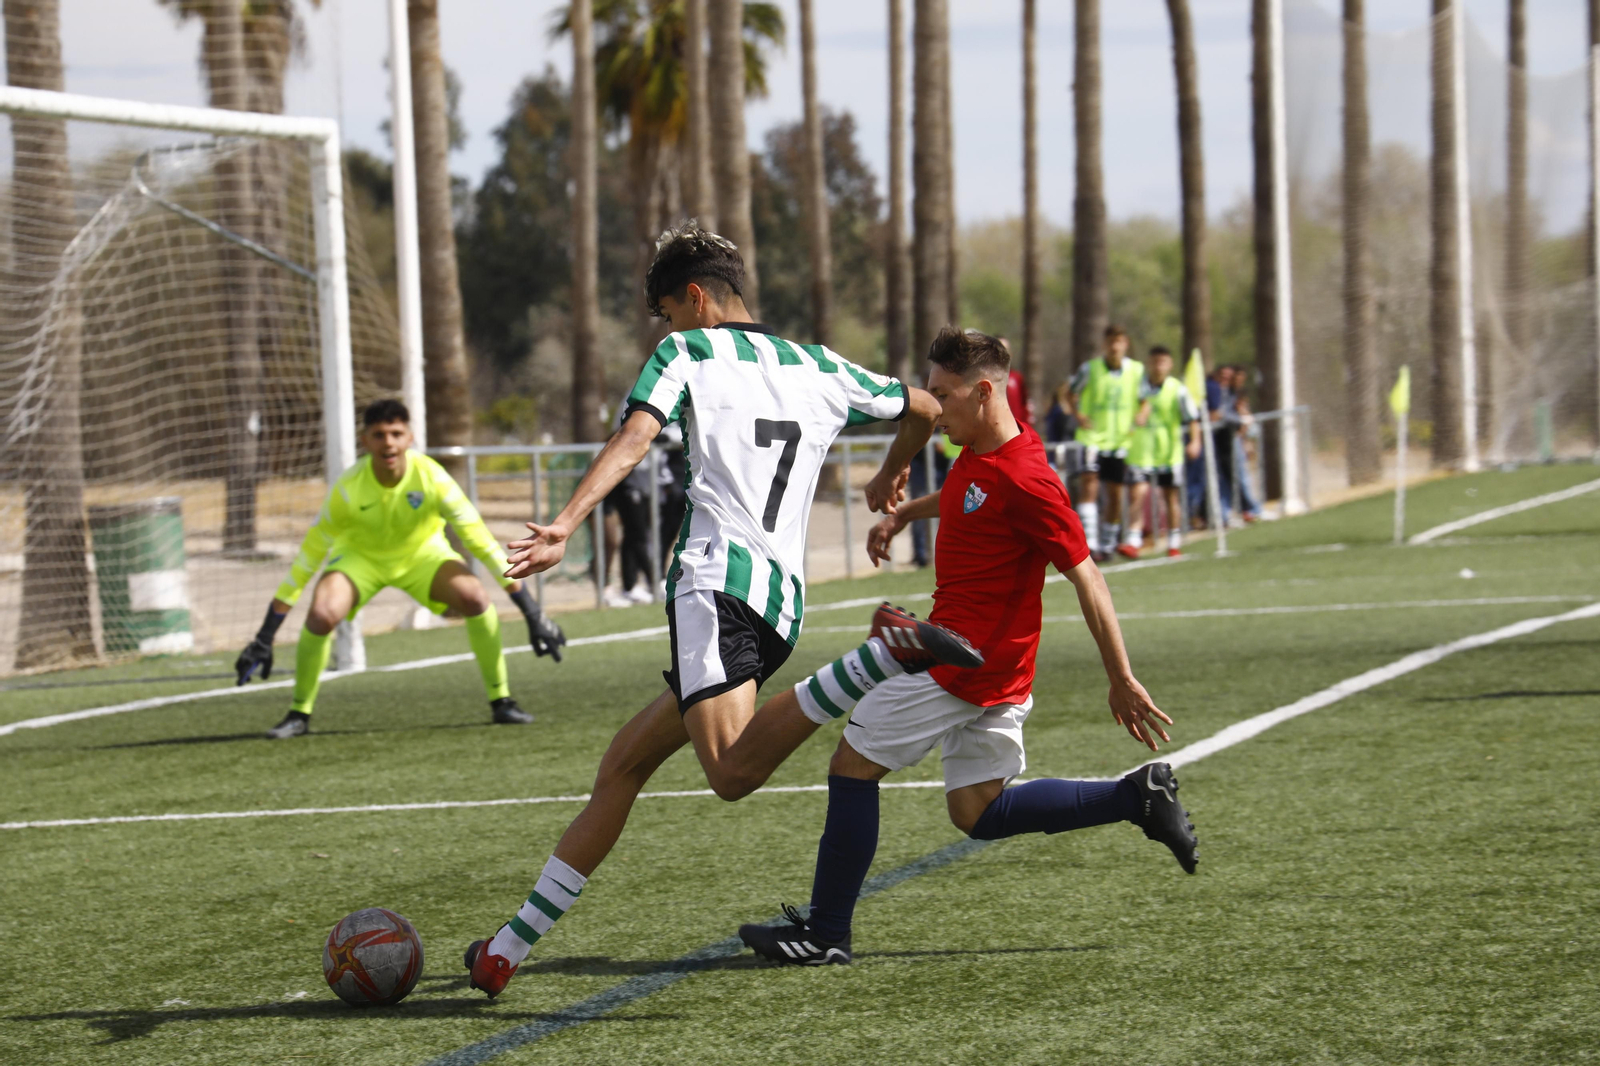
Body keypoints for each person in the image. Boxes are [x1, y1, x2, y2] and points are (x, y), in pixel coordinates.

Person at [460, 223, 979, 998]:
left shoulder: (689, 354)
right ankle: (506, 948)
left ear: (696, 300)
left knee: (731, 774)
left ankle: (884, 653)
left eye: (668, 311)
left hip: (714, 587)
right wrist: (888, 474)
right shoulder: (819, 364)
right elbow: (928, 405)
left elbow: (635, 437)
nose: (666, 328)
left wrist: (564, 525)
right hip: (777, 605)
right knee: (624, 765)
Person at [734, 328, 1197, 966]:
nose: (933, 406)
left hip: (957, 664)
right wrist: (903, 514)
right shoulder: (979, 449)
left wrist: (1120, 677)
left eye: (943, 395)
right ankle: (1135, 796)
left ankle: (825, 933)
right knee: (977, 810)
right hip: (996, 666)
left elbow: (1088, 577)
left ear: (983, 392)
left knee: (852, 763)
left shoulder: (1030, 478)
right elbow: (966, 502)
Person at [234, 399, 568, 738]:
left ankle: (502, 701)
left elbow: (480, 542)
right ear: (365, 442)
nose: (388, 443)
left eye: (396, 433)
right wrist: (265, 636)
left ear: (410, 438)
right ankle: (298, 714)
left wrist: (532, 613)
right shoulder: (347, 488)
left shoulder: (433, 478)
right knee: (321, 614)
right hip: (359, 561)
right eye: (379, 435)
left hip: (423, 557)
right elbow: (306, 562)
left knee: (475, 596)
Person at [1065, 324, 1144, 561]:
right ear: (1104, 344)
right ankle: (1090, 543)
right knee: (1089, 484)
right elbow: (1069, 392)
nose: (1114, 346)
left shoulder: (1136, 371)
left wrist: (1142, 414)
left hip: (1120, 440)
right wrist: (1077, 414)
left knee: (1115, 493)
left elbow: (1146, 398)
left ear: (1125, 344)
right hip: (1092, 438)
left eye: (1119, 341)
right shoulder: (1090, 369)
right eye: (1110, 341)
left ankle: (1108, 543)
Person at [1119, 346, 1202, 559]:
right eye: (1155, 362)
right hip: (1141, 451)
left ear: (1170, 364)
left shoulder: (1178, 389)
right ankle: (1133, 540)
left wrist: (1195, 441)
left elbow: (1192, 418)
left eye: (1163, 362)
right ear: (1149, 363)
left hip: (1168, 452)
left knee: (1170, 497)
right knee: (1138, 493)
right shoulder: (1138, 387)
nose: (1158, 367)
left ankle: (1174, 541)